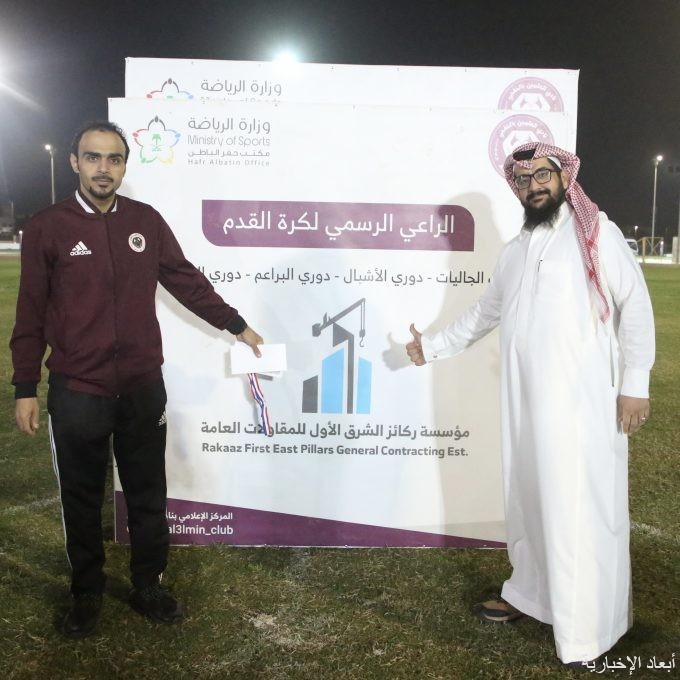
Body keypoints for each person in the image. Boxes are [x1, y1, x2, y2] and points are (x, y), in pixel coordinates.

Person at [10, 121, 264, 638]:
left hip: (142, 386)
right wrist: (25, 387)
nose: (104, 168)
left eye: (114, 158)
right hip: (78, 389)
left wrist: (235, 323)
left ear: (125, 165)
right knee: (82, 497)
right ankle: (86, 591)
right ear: (76, 163)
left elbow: (185, 279)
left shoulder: (145, 220)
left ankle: (149, 584)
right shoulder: (47, 227)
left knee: (148, 492)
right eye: (93, 157)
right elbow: (31, 310)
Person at [406, 142, 655, 667]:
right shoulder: (516, 250)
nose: (534, 185)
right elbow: (485, 313)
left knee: (577, 510)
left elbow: (634, 304)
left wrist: (635, 382)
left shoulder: (595, 234)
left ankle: (588, 629)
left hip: (581, 407)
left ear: (564, 177)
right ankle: (531, 595)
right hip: (523, 403)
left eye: (543, 174)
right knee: (528, 501)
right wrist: (431, 345)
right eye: (523, 179)